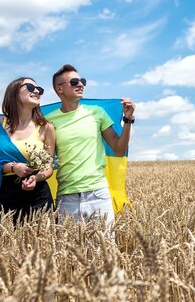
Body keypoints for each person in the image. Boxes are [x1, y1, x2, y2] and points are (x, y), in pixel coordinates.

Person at [46, 64, 135, 227]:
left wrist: (128, 120)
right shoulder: (49, 121)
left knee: (106, 251)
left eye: (82, 81)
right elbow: (45, 159)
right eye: (74, 82)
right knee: (68, 252)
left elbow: (118, 149)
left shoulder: (97, 112)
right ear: (59, 89)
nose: (81, 85)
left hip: (99, 194)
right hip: (66, 198)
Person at [0, 77, 55, 224]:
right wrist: (14, 167)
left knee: (44, 241)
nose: (36, 91)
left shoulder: (47, 127)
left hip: (38, 192)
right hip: (8, 194)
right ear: (14, 93)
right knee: (8, 243)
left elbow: (48, 167)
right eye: (30, 87)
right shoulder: (1, 123)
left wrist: (36, 178)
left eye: (39, 90)